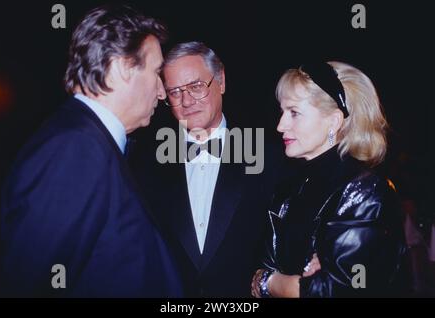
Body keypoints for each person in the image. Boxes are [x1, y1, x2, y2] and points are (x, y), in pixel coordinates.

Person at [0, 4, 182, 297]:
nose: (162, 92)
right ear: (124, 68)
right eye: (156, 72)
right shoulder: (75, 150)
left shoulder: (91, 144)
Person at [129, 42, 290, 297]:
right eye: (175, 92)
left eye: (195, 87)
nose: (186, 101)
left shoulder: (270, 155)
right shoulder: (143, 163)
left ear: (221, 81)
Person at [251, 61, 407, 297]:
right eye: (283, 112)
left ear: (334, 121)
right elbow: (261, 266)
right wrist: (289, 280)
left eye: (294, 112)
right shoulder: (290, 186)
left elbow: (338, 289)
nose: (280, 125)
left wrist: (270, 282)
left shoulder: (364, 190)